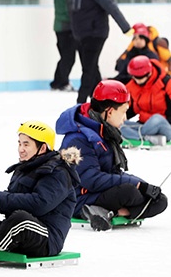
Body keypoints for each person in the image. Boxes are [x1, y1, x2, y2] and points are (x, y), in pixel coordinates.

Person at [56, 80, 168, 231]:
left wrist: (143, 186)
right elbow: (91, 180)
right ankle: (96, 210)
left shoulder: (105, 130)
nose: (125, 118)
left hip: (101, 191)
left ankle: (112, 213)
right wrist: (138, 185)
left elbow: (113, 173)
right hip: (80, 198)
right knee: (130, 192)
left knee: (159, 199)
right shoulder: (78, 139)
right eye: (123, 112)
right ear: (109, 111)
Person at [0, 121, 79, 257]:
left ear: (42, 148)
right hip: (19, 231)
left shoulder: (58, 172)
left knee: (21, 219)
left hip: (47, 239)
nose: (21, 149)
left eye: (26, 144)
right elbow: (12, 199)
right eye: (19, 143)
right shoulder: (24, 168)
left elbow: (39, 204)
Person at [66, 0, 131, 104]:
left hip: (95, 34)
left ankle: (81, 103)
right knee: (91, 69)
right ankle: (100, 100)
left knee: (88, 69)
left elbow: (111, 6)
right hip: (81, 36)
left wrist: (125, 27)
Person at [121, 55, 171, 146]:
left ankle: (138, 136)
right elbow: (129, 111)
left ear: (149, 73)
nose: (138, 81)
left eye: (141, 78)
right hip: (144, 125)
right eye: (135, 77)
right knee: (120, 124)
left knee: (156, 119)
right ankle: (147, 138)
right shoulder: (131, 87)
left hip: (166, 125)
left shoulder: (166, 83)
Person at [50, 0, 77, 92]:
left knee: (65, 57)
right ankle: (62, 82)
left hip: (60, 27)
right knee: (68, 57)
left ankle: (57, 82)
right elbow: (71, 9)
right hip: (67, 28)